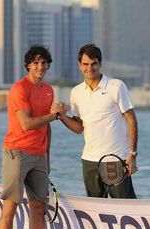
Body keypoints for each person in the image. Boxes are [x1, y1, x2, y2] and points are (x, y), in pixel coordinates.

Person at [0, 45, 67, 229]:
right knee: (11, 206)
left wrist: (47, 156)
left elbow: (47, 127)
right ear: (28, 65)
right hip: (16, 152)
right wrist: (53, 115)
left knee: (38, 207)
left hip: (39, 156)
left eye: (44, 63)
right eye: (36, 63)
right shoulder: (19, 89)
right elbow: (26, 123)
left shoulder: (48, 91)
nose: (40, 67)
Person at [59, 43, 139, 199]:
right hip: (89, 161)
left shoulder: (116, 86)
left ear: (100, 64)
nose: (90, 68)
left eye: (94, 63)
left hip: (114, 160)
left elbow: (132, 120)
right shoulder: (76, 92)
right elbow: (78, 128)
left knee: (127, 209)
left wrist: (132, 155)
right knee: (96, 211)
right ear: (79, 65)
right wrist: (61, 116)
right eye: (86, 64)